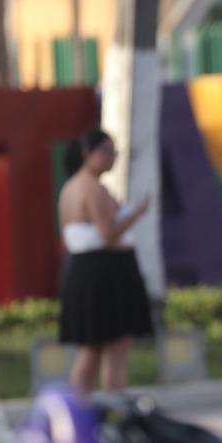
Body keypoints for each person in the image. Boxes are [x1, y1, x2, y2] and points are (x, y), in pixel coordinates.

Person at [57, 128, 153, 393]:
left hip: (89, 273)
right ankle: (112, 412)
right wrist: (137, 213)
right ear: (88, 152)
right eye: (107, 151)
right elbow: (108, 234)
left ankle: (81, 414)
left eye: (115, 152)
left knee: (93, 347)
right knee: (111, 348)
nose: (113, 158)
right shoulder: (90, 187)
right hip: (102, 275)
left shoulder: (73, 186)